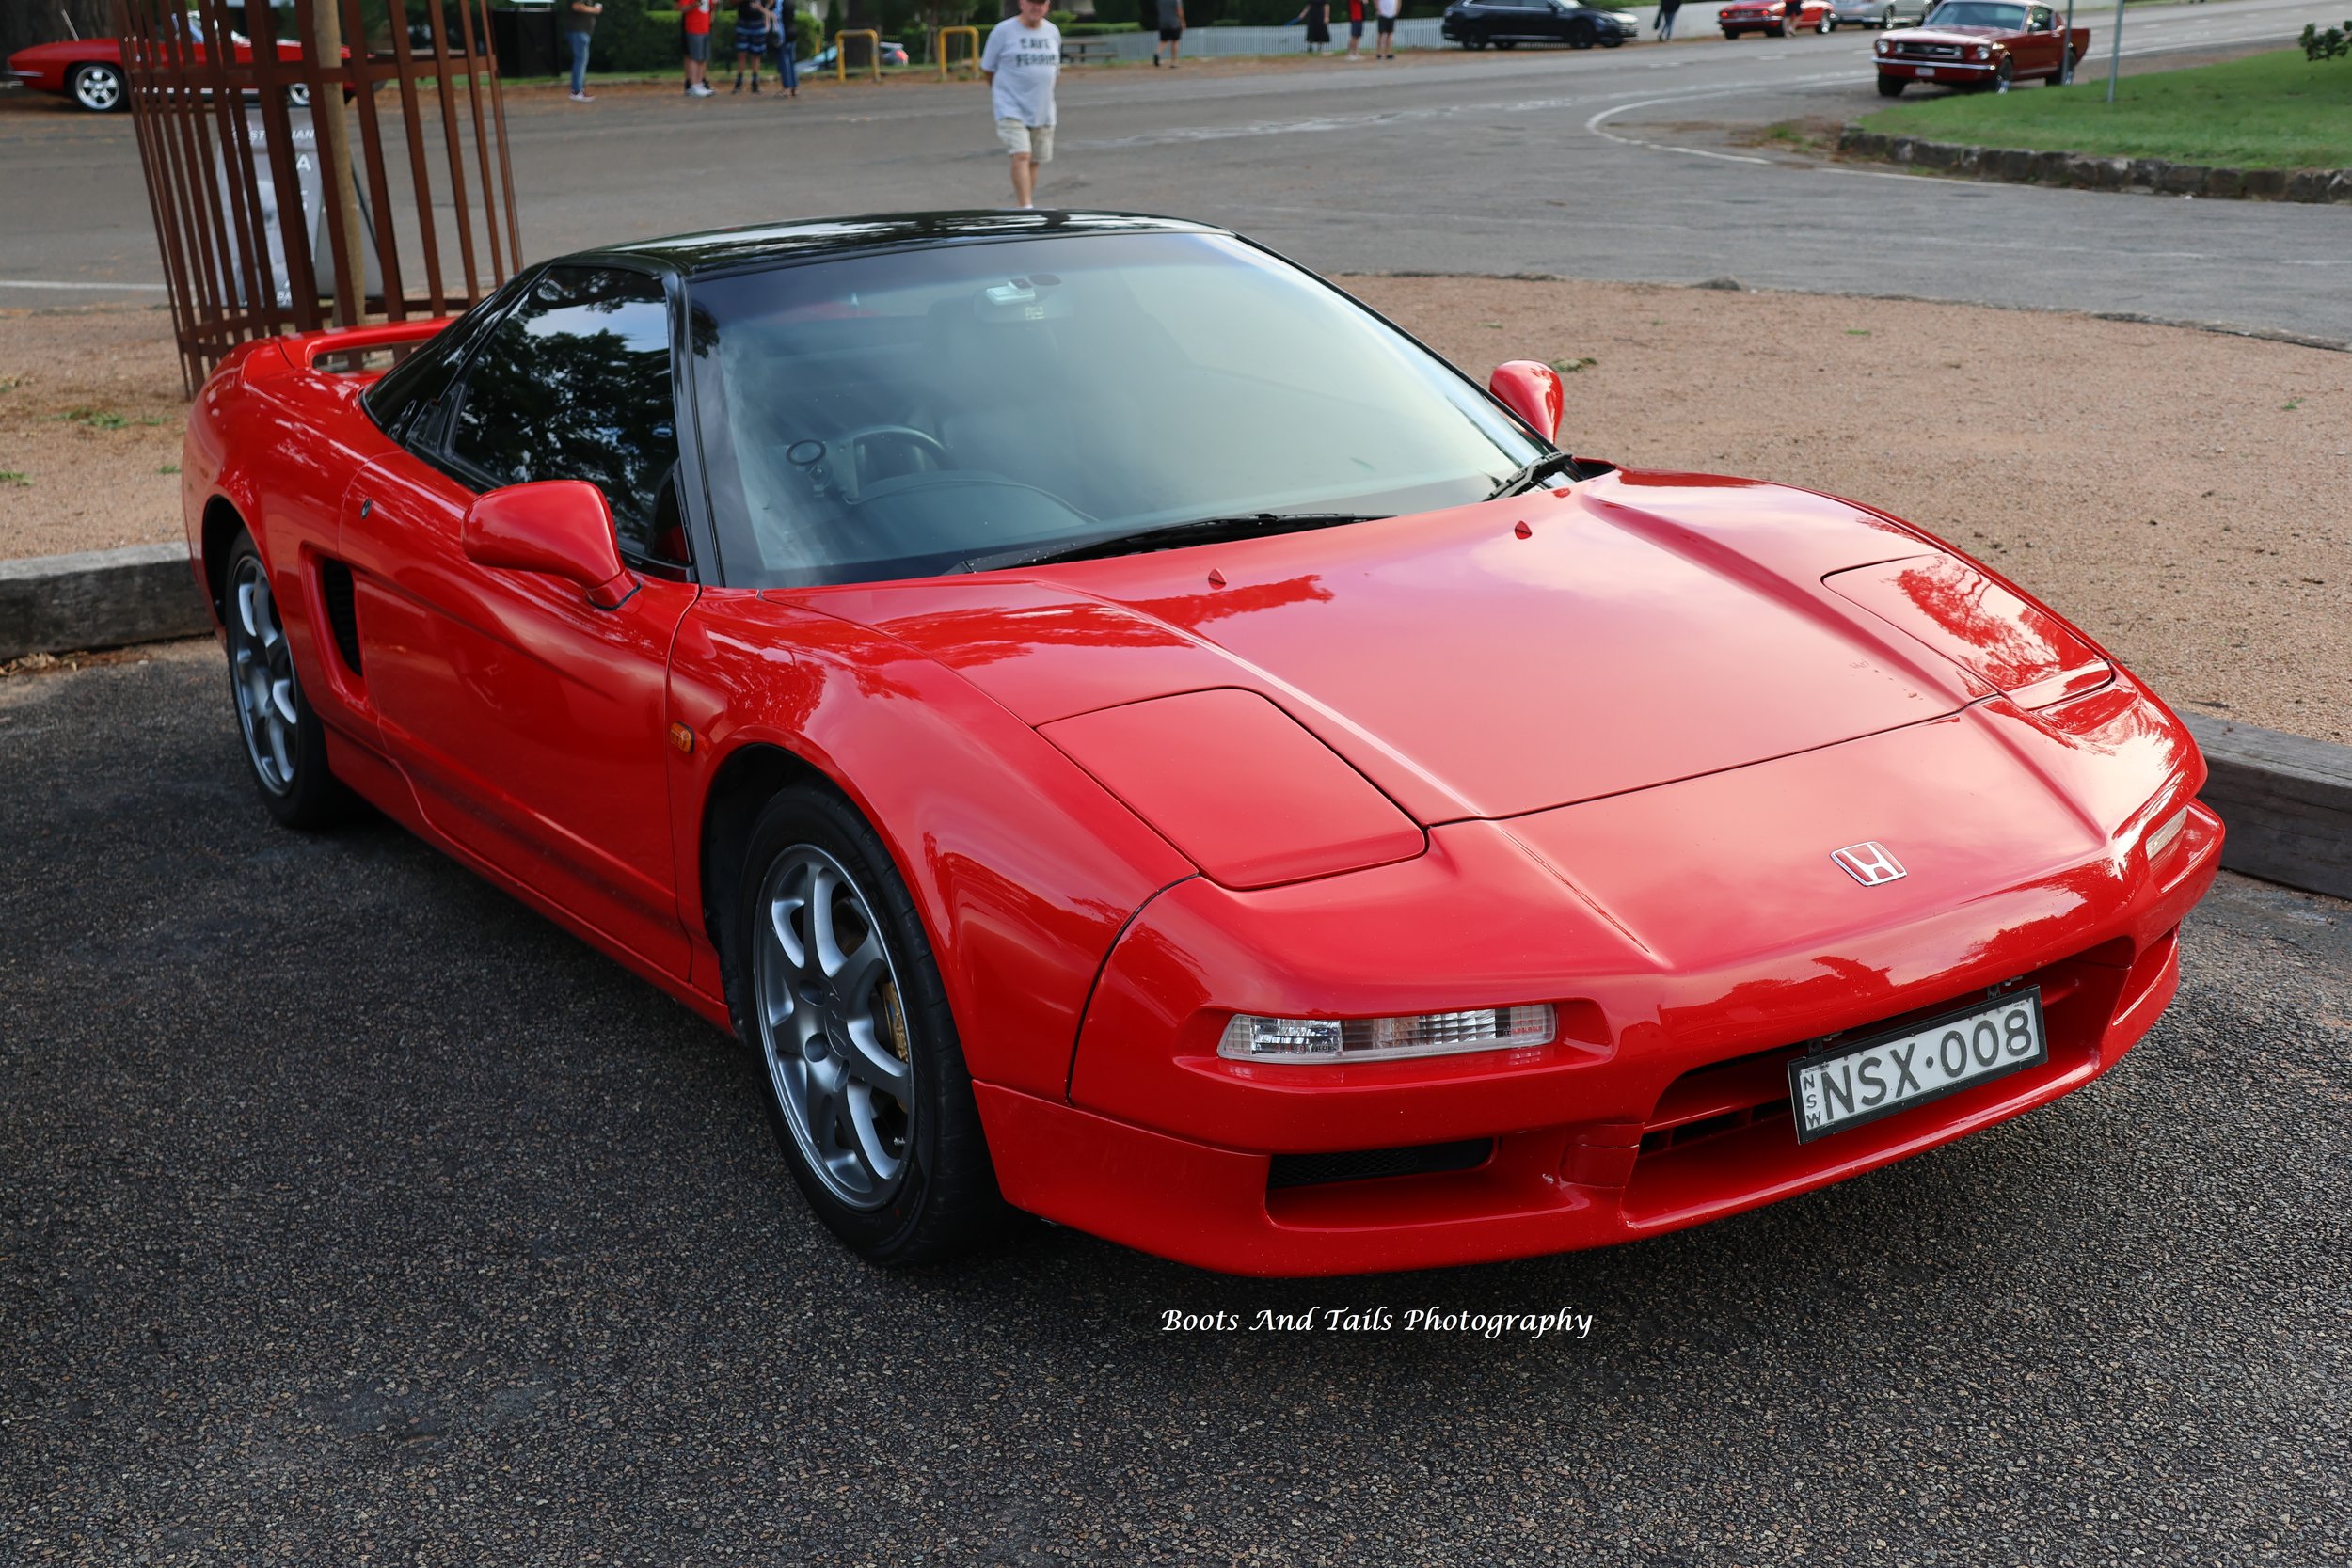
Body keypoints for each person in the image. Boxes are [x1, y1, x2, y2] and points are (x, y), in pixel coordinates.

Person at [980, 0, 1060, 210]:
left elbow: (1054, 71)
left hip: (1043, 108)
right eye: (1032, 2)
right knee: (1021, 154)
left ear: (1048, 5)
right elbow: (988, 69)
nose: (1037, 7)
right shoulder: (1003, 31)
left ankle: (1025, 203)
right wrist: (1002, 95)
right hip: (1010, 106)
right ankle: (1026, 208)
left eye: (1041, 3)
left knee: (1034, 159)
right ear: (1021, 3)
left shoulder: (1052, 32)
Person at [563, 0, 601, 102]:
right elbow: (576, 6)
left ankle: (578, 89)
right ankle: (576, 91)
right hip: (579, 32)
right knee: (581, 61)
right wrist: (594, 10)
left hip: (580, 32)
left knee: (580, 61)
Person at [733, 0, 772, 91]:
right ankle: (739, 82)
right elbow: (732, 2)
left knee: (756, 53)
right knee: (741, 53)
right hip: (743, 22)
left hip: (758, 22)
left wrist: (764, 9)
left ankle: (755, 82)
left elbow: (771, 2)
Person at [680, 0, 715, 96]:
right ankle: (694, 85)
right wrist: (693, 5)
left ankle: (700, 84)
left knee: (703, 58)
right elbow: (682, 8)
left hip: (705, 27)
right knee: (695, 58)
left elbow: (711, 7)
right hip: (694, 28)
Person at [1152, 0, 1184, 66]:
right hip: (1174, 23)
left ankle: (1157, 53)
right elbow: (1179, 11)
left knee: (1163, 41)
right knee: (1175, 41)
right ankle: (1174, 62)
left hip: (1163, 23)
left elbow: (1159, 9)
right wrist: (1182, 22)